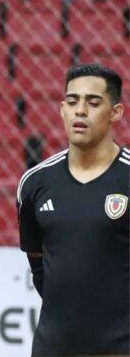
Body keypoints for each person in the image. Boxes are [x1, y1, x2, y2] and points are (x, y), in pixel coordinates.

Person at [17, 64, 128, 356]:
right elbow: (37, 262)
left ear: (116, 112)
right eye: (72, 101)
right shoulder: (35, 184)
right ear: (62, 109)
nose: (80, 111)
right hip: (53, 348)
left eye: (93, 103)